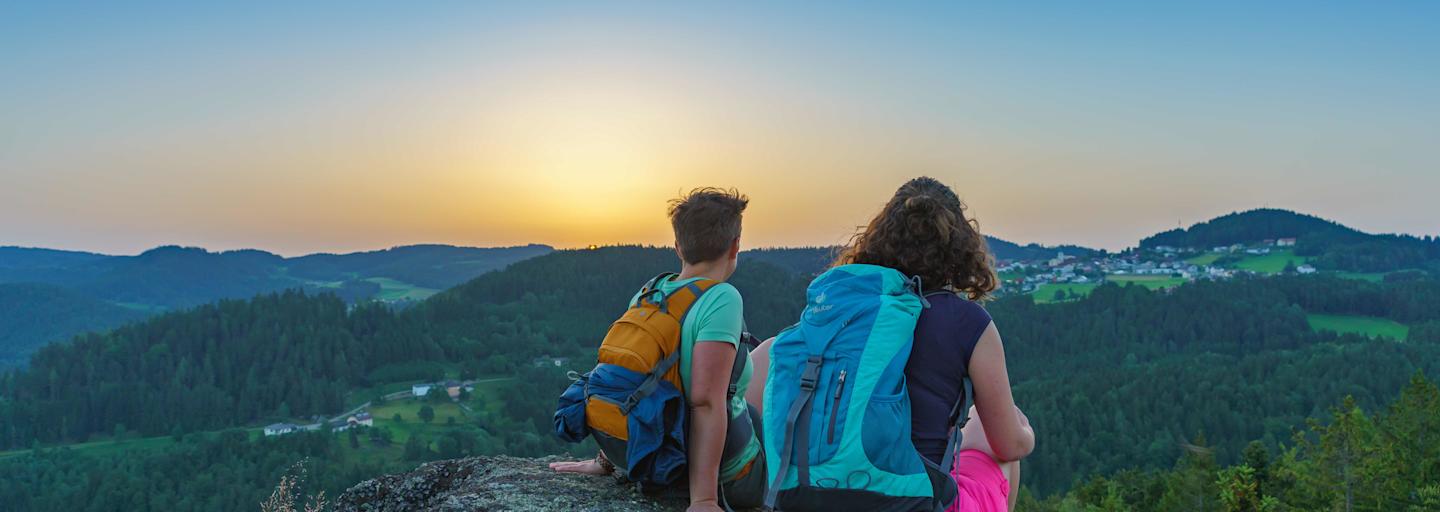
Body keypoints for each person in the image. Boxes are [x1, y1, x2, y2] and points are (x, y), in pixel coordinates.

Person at [551, 187, 766, 512]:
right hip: (716, 476)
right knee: (774, 361)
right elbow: (706, 401)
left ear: (678, 247)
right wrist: (704, 500)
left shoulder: (650, 291)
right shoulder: (722, 297)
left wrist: (608, 460)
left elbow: (629, 379)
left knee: (749, 411)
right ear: (735, 245)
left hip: (650, 452)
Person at [833, 176, 1034, 511]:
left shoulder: (845, 309)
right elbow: (1009, 445)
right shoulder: (967, 322)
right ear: (960, 245)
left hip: (834, 486)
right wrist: (1026, 433)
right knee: (1002, 444)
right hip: (918, 499)